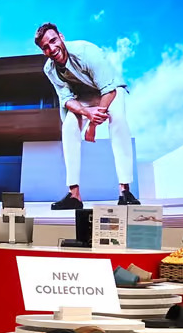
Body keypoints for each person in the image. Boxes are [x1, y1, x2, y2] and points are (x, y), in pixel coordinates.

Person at [34, 22, 138, 209]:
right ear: (43, 51)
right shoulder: (49, 69)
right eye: (46, 47)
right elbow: (66, 99)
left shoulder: (86, 51)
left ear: (61, 37)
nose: (52, 48)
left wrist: (92, 126)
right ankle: (74, 196)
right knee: (69, 127)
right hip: (83, 98)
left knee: (118, 120)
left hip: (110, 90)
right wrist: (86, 113)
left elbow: (108, 89)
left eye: (53, 41)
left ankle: (125, 191)